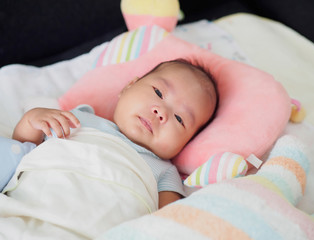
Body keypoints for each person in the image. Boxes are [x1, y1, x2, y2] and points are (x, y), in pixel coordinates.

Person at [6, 58, 219, 208]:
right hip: (31, 201)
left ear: (185, 144)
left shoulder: (165, 173)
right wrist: (31, 120)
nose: (161, 112)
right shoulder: (78, 119)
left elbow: (166, 222)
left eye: (180, 119)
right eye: (158, 92)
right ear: (129, 86)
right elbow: (22, 154)